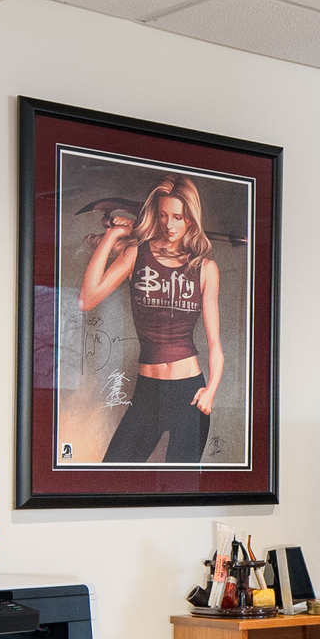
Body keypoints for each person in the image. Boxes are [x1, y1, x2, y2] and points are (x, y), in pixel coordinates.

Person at [79, 175, 223, 464]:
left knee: (179, 486)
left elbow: (214, 344)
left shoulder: (205, 268)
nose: (169, 225)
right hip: (148, 392)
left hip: (190, 392)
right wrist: (111, 236)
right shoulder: (136, 255)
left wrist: (211, 390)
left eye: (178, 217)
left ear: (191, 219)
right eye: (163, 215)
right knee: (111, 475)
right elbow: (86, 299)